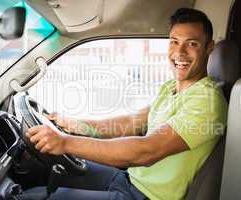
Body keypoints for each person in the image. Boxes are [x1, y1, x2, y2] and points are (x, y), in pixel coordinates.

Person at [26, 7, 228, 200]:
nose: (179, 52)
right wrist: (75, 124)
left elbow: (147, 151)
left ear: (209, 47)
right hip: (130, 179)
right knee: (46, 178)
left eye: (191, 44)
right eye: (174, 42)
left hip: (145, 196)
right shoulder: (171, 87)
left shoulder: (207, 101)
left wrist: (65, 142)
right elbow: (132, 121)